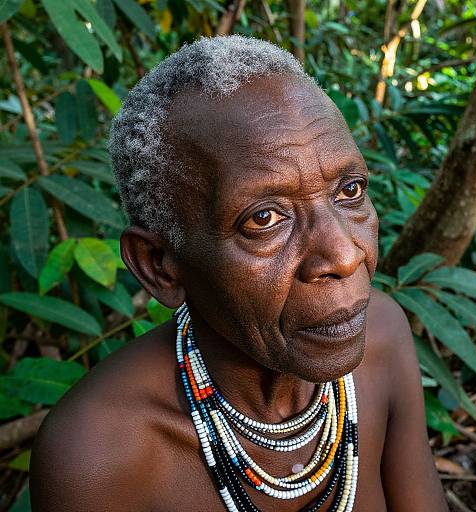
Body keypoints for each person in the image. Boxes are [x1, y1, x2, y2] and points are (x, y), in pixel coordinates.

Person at [29, 36, 449, 511]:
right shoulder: (99, 456)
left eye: (349, 190)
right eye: (264, 218)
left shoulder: (384, 336)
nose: (344, 256)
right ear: (160, 266)